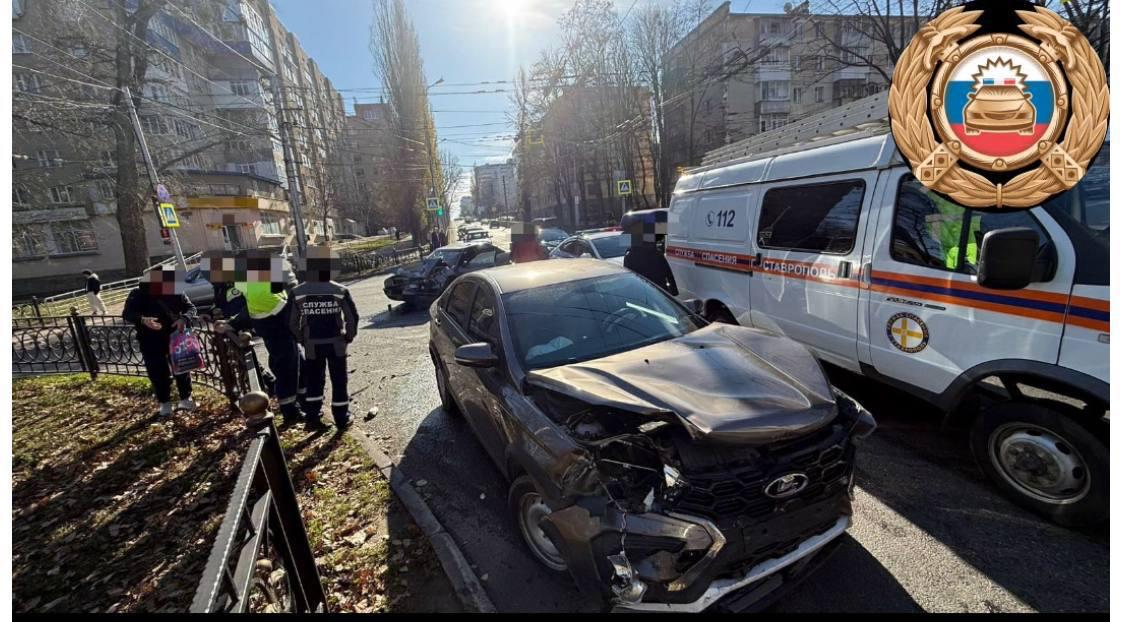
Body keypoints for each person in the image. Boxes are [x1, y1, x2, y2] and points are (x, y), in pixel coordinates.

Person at [289, 247, 359, 431]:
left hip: (311, 345)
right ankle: (342, 418)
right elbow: (352, 317)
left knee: (314, 380)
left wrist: (301, 339)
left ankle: (312, 417)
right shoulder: (340, 290)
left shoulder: (297, 292)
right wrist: (348, 337)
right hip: (336, 343)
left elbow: (292, 322)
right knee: (339, 380)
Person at [233, 251, 304, 422]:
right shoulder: (259, 281)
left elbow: (278, 291)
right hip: (278, 325)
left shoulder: (244, 281)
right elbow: (279, 299)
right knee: (288, 369)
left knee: (288, 365)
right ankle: (291, 411)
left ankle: (298, 402)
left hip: (269, 326)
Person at [122, 267, 197, 416]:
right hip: (150, 340)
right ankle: (165, 403)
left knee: (182, 369)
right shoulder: (138, 294)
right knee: (157, 372)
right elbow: (127, 314)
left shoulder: (175, 291)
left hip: (176, 337)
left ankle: (185, 399)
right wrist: (143, 320)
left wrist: (184, 318)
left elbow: (190, 307)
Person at [623, 214, 678, 295]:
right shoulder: (656, 254)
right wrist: (673, 293)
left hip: (644, 294)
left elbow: (628, 280)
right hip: (660, 293)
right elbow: (668, 274)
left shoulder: (631, 256)